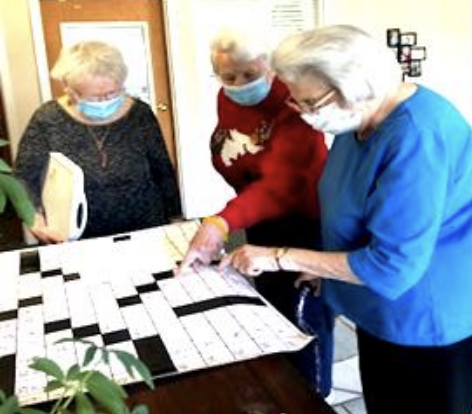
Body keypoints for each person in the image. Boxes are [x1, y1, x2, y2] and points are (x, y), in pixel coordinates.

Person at [220, 24, 472, 414]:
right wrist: (327, 268)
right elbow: (352, 208)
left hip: (423, 319)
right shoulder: (357, 119)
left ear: (353, 86)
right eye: (296, 102)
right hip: (376, 311)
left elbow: (392, 266)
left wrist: (281, 256)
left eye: (308, 103)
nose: (303, 114)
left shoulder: (419, 134)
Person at [178, 27, 333, 398]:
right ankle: (279, 390)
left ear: (271, 65)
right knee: (270, 307)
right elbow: (233, 149)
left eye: (249, 74)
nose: (239, 84)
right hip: (260, 216)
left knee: (304, 317)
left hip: (305, 222)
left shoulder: (293, 104)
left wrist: (221, 221)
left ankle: (313, 395)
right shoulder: (227, 97)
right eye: (228, 76)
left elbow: (279, 187)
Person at [15, 40, 181, 242]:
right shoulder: (48, 119)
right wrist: (35, 220)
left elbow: (162, 169)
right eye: (94, 97)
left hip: (145, 227)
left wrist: (175, 218)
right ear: (69, 89)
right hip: (77, 235)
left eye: (112, 93)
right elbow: (24, 176)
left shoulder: (140, 114)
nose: (105, 102)